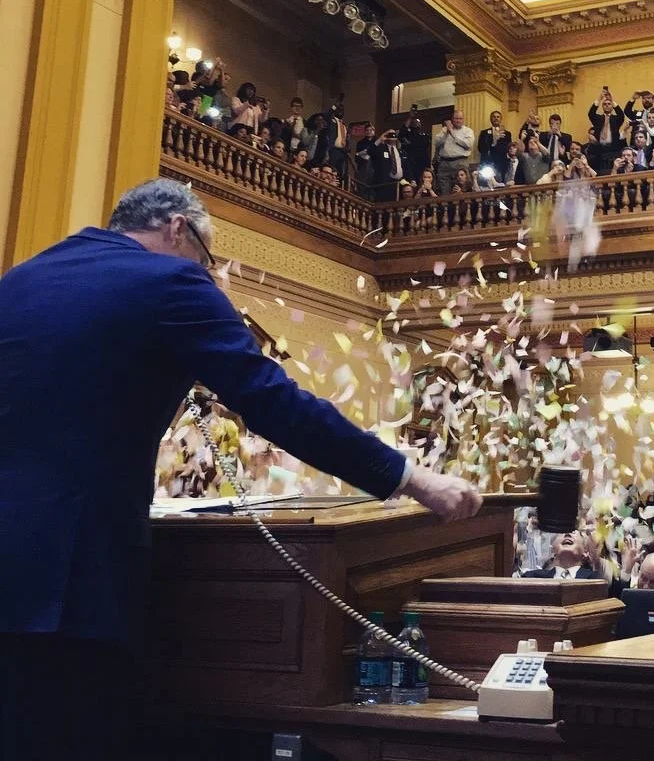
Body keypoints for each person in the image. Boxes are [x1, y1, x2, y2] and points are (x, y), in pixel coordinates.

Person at [0, 179, 481, 759]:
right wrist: (412, 478)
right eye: (207, 257)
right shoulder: (171, 281)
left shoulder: (23, 277)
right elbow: (274, 402)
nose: (208, 272)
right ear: (178, 228)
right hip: (70, 577)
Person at [522, 532, 602, 580]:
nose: (567, 534)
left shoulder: (596, 579)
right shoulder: (532, 578)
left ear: (585, 552)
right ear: (553, 549)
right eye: (561, 533)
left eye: (574, 532)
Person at [433, 110, 475, 195]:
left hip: (460, 162)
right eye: (456, 118)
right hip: (444, 163)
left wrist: (452, 133)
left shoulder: (468, 131)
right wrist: (446, 133)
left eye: (460, 118)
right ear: (452, 119)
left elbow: (468, 144)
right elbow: (436, 143)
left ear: (463, 120)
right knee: (444, 190)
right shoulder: (444, 130)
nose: (458, 120)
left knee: (461, 188)